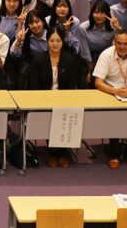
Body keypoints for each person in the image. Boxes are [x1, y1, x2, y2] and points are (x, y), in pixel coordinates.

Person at [28, 24, 83, 167]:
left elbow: (71, 86)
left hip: (64, 100)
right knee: (49, 116)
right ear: (47, 41)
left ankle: (62, 152)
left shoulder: (69, 60)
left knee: (64, 115)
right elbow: (33, 86)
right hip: (44, 101)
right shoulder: (39, 60)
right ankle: (52, 152)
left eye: (58, 40)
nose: (55, 44)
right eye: (52, 40)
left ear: (63, 42)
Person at [93, 29, 127, 168]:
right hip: (109, 90)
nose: (122, 47)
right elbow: (98, 82)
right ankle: (114, 153)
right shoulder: (106, 54)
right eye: (119, 43)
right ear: (114, 42)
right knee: (115, 114)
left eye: (126, 44)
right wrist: (116, 91)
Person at [80, 0, 115, 84]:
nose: (98, 16)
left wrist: (118, 27)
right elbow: (84, 49)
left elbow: (124, 43)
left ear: (107, 14)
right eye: (96, 13)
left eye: (102, 13)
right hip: (88, 57)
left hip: (107, 57)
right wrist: (89, 69)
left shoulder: (113, 28)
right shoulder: (83, 27)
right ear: (92, 14)